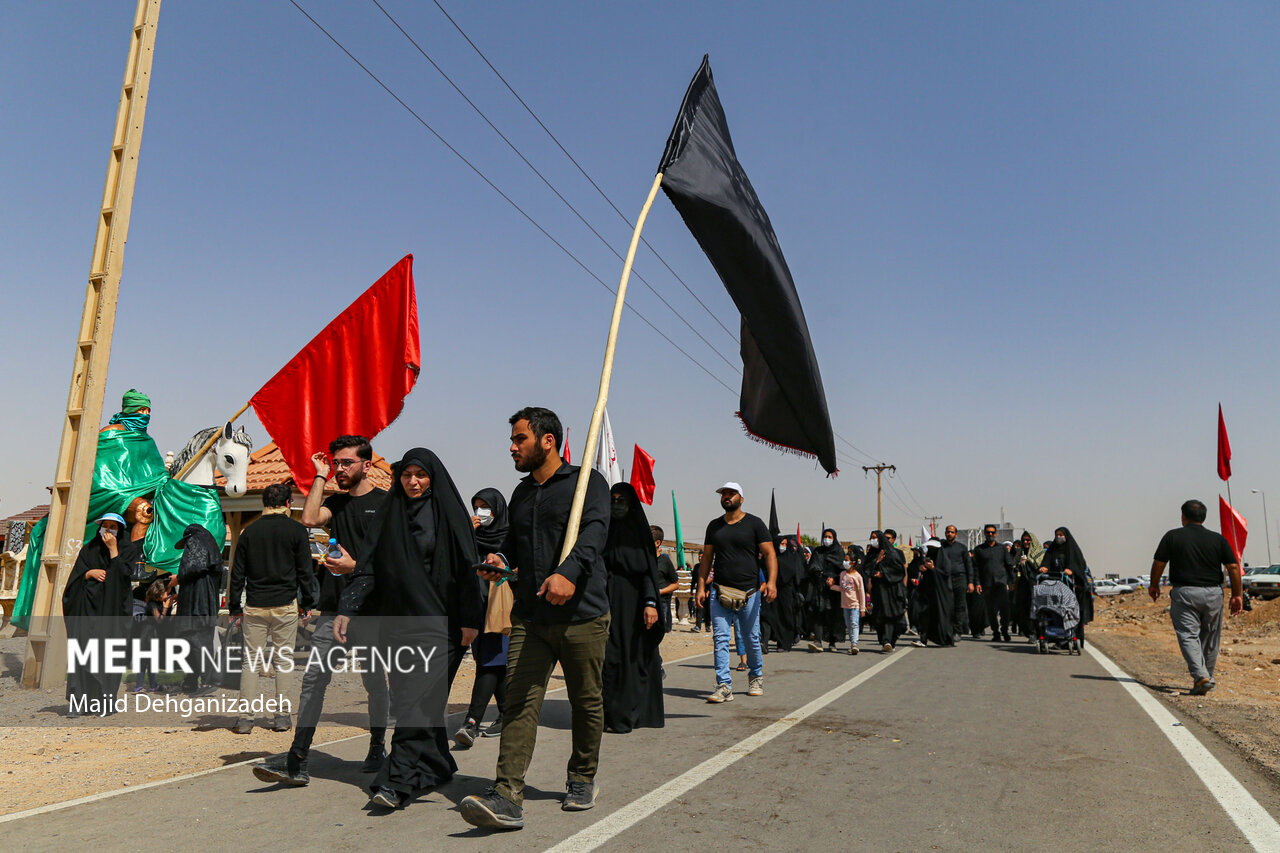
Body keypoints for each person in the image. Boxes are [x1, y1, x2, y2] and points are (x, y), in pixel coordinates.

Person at [460, 407, 611, 830]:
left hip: (583, 614)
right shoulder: (522, 493)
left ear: (547, 441)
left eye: (519, 438)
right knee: (521, 700)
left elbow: (596, 532)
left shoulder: (587, 483)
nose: (512, 446)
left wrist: (568, 572)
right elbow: (512, 543)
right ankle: (507, 793)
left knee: (586, 700)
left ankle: (582, 776)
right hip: (530, 616)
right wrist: (499, 559)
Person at [334, 448, 484, 810]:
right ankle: (438, 762)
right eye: (407, 475)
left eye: (421, 475)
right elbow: (368, 566)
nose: (413, 482)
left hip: (441, 624)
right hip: (396, 623)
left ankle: (396, 780)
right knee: (409, 700)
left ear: (433, 477)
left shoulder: (448, 515)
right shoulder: (391, 514)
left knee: (417, 701)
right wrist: (348, 609)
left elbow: (467, 569)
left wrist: (470, 621)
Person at [253, 436, 391, 787]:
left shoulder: (387, 505)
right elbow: (310, 518)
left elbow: (394, 565)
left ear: (366, 465)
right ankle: (297, 759)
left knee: (374, 681)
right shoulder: (338, 504)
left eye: (346, 463)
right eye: (336, 463)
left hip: (373, 610)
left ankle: (378, 745)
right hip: (334, 609)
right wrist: (319, 475)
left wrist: (354, 567)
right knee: (314, 680)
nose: (340, 469)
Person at [228, 483, 316, 735]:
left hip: (255, 605)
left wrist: (235, 606)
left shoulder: (248, 532)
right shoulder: (297, 531)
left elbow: (237, 574)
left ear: (264, 503)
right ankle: (282, 716)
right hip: (285, 605)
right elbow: (304, 571)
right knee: (284, 660)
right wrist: (308, 602)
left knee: (251, 662)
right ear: (288, 503)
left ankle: (246, 718)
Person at [1149, 500, 1243, 695]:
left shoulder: (1173, 536)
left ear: (1183, 516)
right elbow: (1233, 567)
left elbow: (1159, 562)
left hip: (1185, 594)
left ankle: (1201, 676)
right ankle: (1208, 677)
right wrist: (1237, 595)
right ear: (1204, 517)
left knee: (1188, 635)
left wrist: (1154, 585)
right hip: (1213, 594)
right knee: (1210, 638)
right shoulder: (1218, 539)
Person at [696, 483, 777, 703]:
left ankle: (756, 676)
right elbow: (707, 559)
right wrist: (701, 587)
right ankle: (724, 686)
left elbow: (769, 554)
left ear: (741, 498)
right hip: (720, 591)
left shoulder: (755, 524)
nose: (726, 497)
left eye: (731, 494)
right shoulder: (714, 526)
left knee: (751, 638)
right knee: (720, 638)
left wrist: (771, 582)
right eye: (723, 494)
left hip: (749, 592)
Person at [601, 484, 664, 733]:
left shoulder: (640, 535)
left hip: (635, 603)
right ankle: (610, 714)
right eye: (612, 500)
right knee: (609, 657)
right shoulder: (604, 531)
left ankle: (632, 713)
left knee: (633, 655)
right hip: (606, 601)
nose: (616, 505)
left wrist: (650, 603)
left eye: (621, 500)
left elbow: (648, 572)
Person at [455, 487, 513, 748]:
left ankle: (472, 721)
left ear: (497, 510)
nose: (481, 512)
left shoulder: (509, 537)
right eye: (476, 506)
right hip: (474, 607)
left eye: (486, 507)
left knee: (490, 662)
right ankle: (507, 714)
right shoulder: (473, 535)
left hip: (499, 607)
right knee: (493, 662)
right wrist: (467, 533)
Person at [63, 512, 134, 716]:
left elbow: (122, 579)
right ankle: (79, 704)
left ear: (120, 530)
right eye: (106, 525)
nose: (109, 530)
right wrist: (89, 573)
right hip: (87, 611)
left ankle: (105, 703)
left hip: (112, 613)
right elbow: (73, 581)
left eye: (114, 526)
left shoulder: (127, 549)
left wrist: (113, 550)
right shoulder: (89, 549)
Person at [172, 523, 223, 695]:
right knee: (196, 640)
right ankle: (193, 679)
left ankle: (206, 680)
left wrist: (178, 577)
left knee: (194, 640)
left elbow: (191, 566)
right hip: (204, 602)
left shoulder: (195, 540)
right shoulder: (211, 550)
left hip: (196, 602)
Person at [1040, 527, 1093, 645]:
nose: (1059, 537)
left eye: (1061, 535)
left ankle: (1073, 635)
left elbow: (1080, 565)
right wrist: (1045, 567)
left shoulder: (1073, 550)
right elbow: (1047, 560)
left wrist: (1072, 570)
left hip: (1071, 585)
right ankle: (1053, 634)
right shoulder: (1052, 549)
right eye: (1057, 535)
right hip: (1054, 584)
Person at [973, 525, 1015, 642]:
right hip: (987, 584)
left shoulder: (1002, 549)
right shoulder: (979, 550)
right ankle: (996, 632)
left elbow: (1009, 566)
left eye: (992, 532)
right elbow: (976, 568)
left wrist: (1011, 583)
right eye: (988, 532)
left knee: (1005, 609)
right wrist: (977, 583)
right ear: (984, 534)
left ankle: (1005, 631)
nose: (990, 535)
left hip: (1001, 583)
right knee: (991, 610)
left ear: (995, 534)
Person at [869, 530, 908, 652]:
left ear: (893, 540)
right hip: (880, 590)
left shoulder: (897, 553)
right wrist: (877, 561)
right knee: (882, 616)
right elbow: (866, 569)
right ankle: (885, 641)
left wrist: (884, 574)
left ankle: (892, 640)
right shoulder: (873, 553)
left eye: (889, 538)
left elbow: (901, 571)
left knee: (898, 619)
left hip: (895, 589)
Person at [933, 525, 973, 640]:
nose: (949, 534)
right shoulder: (941, 548)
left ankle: (957, 631)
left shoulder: (962, 548)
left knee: (959, 606)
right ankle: (947, 629)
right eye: (948, 532)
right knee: (947, 605)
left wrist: (970, 582)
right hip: (945, 579)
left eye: (952, 532)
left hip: (960, 578)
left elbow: (968, 565)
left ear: (956, 534)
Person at [914, 539, 956, 647]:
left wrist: (933, 569)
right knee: (924, 614)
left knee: (942, 615)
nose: (931, 551)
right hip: (928, 591)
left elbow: (945, 574)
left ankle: (945, 639)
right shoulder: (929, 558)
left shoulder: (944, 560)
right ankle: (923, 639)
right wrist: (923, 568)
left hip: (941, 594)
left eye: (933, 549)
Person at [770, 534, 803, 651]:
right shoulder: (771, 558)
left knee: (786, 616)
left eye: (785, 544)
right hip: (773, 591)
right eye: (781, 544)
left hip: (787, 592)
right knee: (773, 616)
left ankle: (783, 642)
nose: (783, 547)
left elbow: (796, 574)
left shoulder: (791, 558)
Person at [1012, 531, 1043, 638]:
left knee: (1034, 608)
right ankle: (1028, 631)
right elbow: (1013, 565)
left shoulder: (1039, 552)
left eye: (1028, 540)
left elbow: (1040, 567)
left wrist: (1028, 562)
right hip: (1023, 584)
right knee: (1022, 608)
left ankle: (1035, 632)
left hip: (1035, 584)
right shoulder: (1020, 552)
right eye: (1023, 540)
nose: (1025, 542)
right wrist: (1019, 565)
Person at [652, 525, 681, 635]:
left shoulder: (665, 561)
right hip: (645, 602)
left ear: (657, 543)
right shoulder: (643, 560)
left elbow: (675, 584)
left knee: (657, 633)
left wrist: (660, 591)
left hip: (661, 602)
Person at [838, 556, 866, 654]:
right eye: (844, 560)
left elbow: (861, 592)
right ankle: (851, 643)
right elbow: (842, 588)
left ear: (852, 563)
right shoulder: (842, 574)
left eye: (847, 560)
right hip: (845, 605)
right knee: (848, 625)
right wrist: (831, 586)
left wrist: (862, 608)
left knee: (854, 624)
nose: (845, 562)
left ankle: (854, 644)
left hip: (855, 604)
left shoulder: (857, 576)